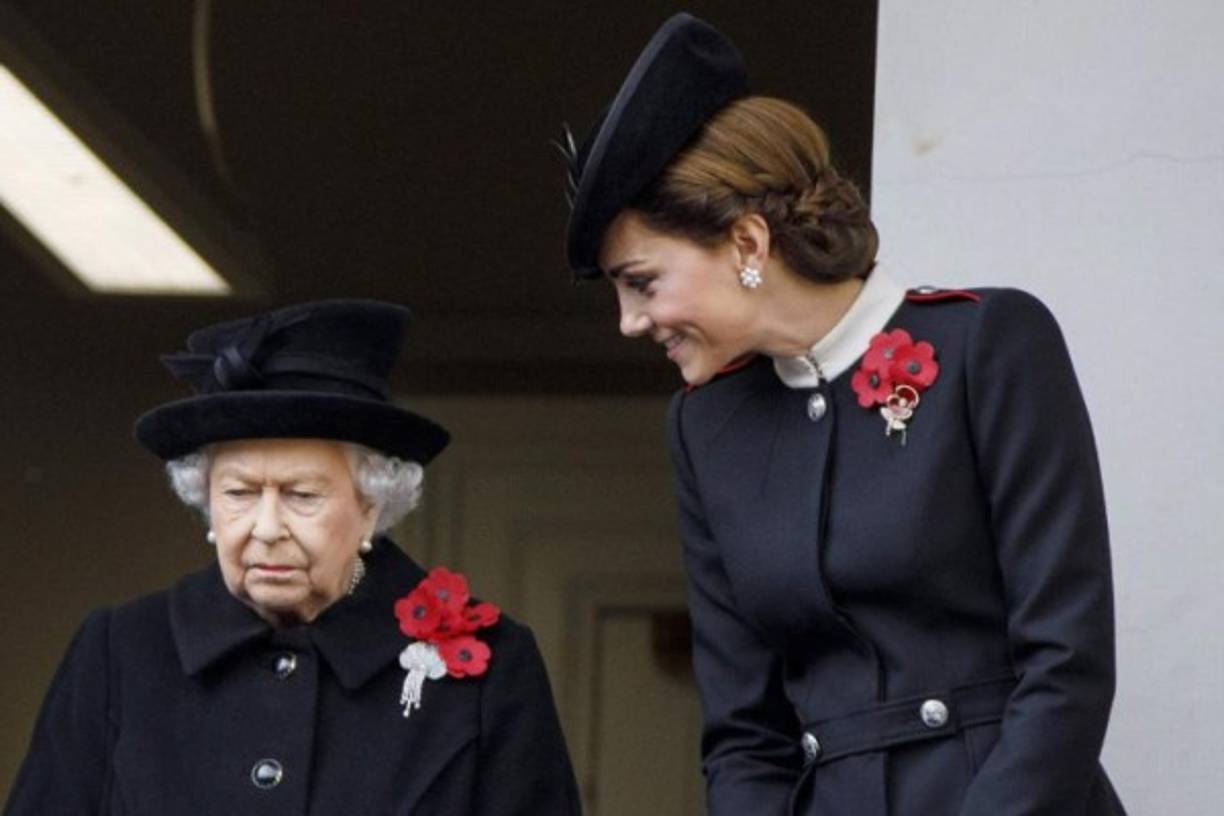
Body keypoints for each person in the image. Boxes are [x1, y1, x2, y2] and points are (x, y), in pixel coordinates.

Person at [557, 13, 1125, 816]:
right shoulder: (705, 427)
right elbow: (744, 735)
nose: (630, 322)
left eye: (642, 282)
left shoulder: (989, 344)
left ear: (749, 244)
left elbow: (1066, 662)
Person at [5, 299, 581, 815]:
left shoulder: (488, 669)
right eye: (239, 494)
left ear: (371, 506)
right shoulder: (122, 652)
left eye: (302, 495)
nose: (266, 528)